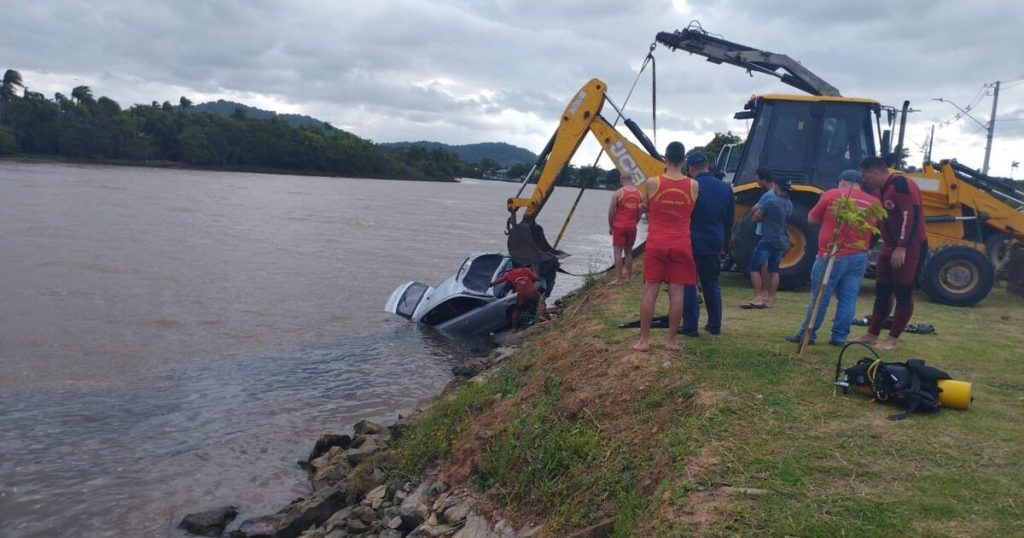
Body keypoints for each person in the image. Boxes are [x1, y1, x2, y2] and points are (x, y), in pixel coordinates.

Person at [785, 170, 876, 346]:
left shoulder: (833, 195)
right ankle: (839, 337)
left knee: (820, 295)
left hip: (832, 254)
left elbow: (811, 218)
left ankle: (807, 334)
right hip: (859, 255)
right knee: (848, 298)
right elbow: (873, 228)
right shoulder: (873, 203)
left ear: (843, 182)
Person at [854, 156, 927, 350]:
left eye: (865, 176)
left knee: (903, 291)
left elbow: (909, 216)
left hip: (909, 246)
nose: (864, 180)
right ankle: (872, 332)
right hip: (889, 245)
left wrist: (902, 246)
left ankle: (893, 337)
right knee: (882, 291)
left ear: (876, 172)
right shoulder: (880, 190)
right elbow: (880, 218)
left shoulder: (901, 184)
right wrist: (868, 244)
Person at [633, 141, 699, 352]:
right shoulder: (693, 185)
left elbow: (644, 207)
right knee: (677, 292)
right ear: (684, 160)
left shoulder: (653, 183)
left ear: (665, 158)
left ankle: (644, 340)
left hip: (657, 243)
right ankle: (671, 340)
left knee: (650, 290)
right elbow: (691, 210)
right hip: (681, 243)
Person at [681, 150, 735, 336]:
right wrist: (726, 245)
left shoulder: (689, 186)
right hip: (714, 240)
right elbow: (729, 220)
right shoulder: (725, 188)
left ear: (691, 168)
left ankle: (690, 325)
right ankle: (715, 324)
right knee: (711, 282)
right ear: (708, 166)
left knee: (688, 282)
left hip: (690, 240)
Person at [743, 176, 793, 308]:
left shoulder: (771, 201)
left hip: (768, 239)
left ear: (776, 186)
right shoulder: (789, 204)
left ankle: (758, 297)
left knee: (754, 267)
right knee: (774, 270)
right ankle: (770, 299)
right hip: (781, 240)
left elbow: (755, 217)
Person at [745, 168, 775, 306]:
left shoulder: (768, 195)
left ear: (763, 179)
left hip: (764, 233)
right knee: (772, 267)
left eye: (757, 178)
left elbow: (754, 210)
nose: (756, 181)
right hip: (776, 234)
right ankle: (768, 296)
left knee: (759, 265)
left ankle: (760, 294)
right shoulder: (782, 195)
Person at [608, 172, 643, 285]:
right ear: (632, 179)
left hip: (619, 226)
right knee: (628, 252)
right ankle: (628, 278)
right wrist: (635, 222)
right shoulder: (639, 194)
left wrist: (610, 225)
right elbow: (640, 212)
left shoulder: (618, 193)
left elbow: (611, 211)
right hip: (632, 226)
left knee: (618, 252)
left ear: (621, 179)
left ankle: (618, 279)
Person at [490, 263, 546, 331]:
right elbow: (536, 278)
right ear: (521, 265)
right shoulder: (526, 270)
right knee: (541, 302)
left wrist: (491, 284)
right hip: (531, 291)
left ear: (513, 267)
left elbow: (499, 280)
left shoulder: (508, 274)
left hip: (521, 293)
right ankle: (542, 316)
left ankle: (514, 328)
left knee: (517, 309)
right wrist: (533, 272)